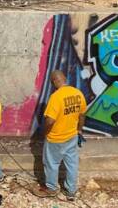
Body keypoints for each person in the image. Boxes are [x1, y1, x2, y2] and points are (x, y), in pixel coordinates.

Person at [33, 70, 87, 201]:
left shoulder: (56, 97)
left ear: (55, 81)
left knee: (51, 163)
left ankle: (51, 189)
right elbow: (82, 115)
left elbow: (50, 120)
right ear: (64, 78)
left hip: (55, 139)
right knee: (72, 164)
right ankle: (71, 191)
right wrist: (79, 130)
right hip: (72, 136)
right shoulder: (77, 93)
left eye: (52, 82)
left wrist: (45, 132)